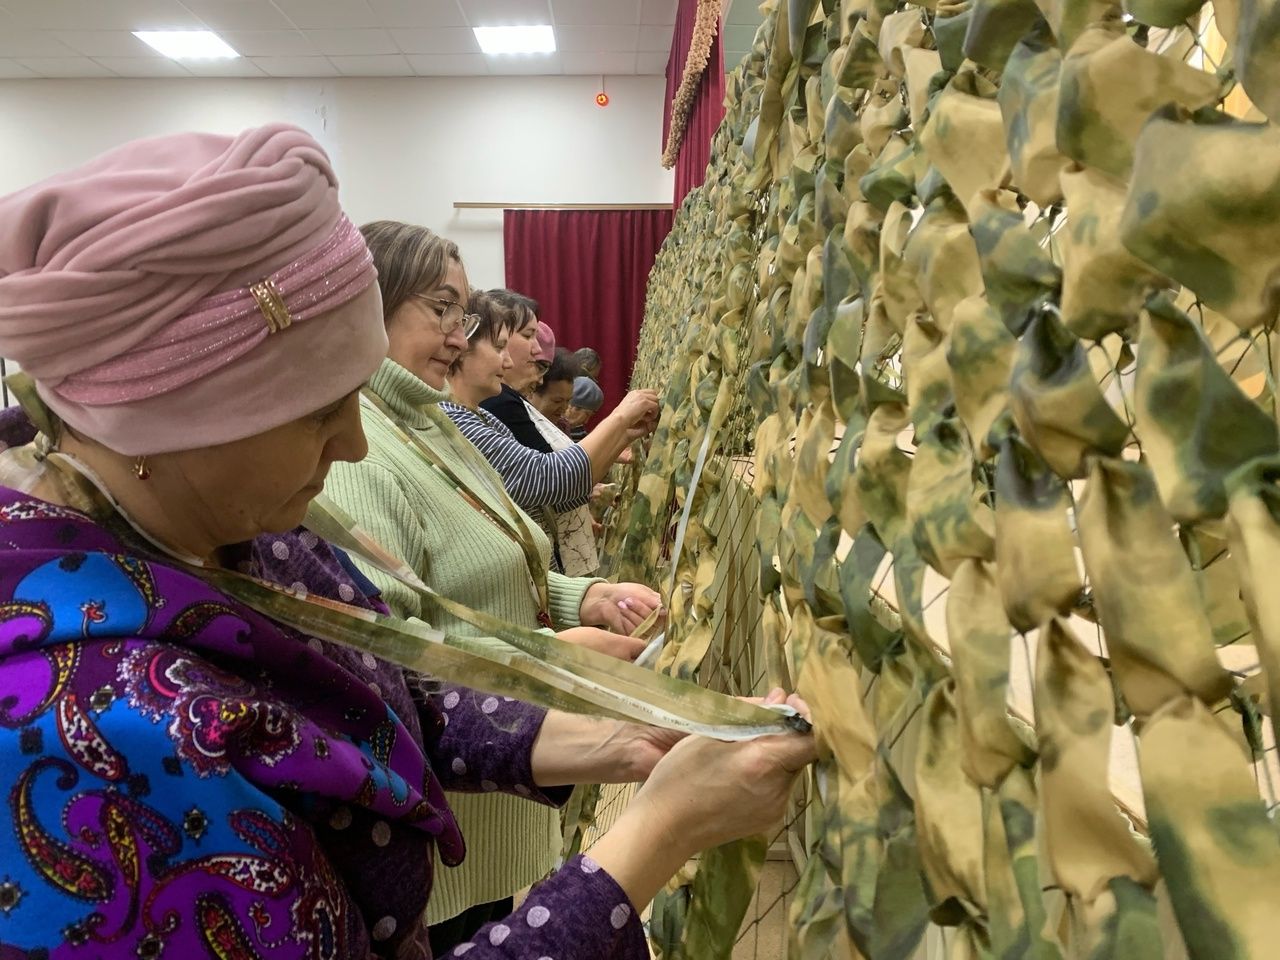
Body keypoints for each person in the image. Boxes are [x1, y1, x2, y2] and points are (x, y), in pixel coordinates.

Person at [0, 125, 817, 960]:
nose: (354, 444)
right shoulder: (97, 742)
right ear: (170, 418)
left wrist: (624, 740)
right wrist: (657, 834)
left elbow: (378, 694)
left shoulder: (233, 534)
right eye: (320, 412)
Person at [325, 221, 664, 953]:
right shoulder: (361, 451)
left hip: (503, 778)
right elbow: (395, 646)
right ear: (370, 305)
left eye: (466, 315)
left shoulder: (441, 420)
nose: (460, 334)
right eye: (441, 309)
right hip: (452, 815)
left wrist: (586, 598)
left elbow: (506, 557)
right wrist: (549, 652)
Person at [440, 297, 657, 575]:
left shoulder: (485, 415)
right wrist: (620, 419)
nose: (506, 361)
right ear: (460, 348)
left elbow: (561, 488)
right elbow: (548, 477)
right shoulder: (462, 419)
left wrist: (622, 432)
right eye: (499, 347)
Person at [478, 290, 552, 452]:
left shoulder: (505, 397)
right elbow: (554, 472)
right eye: (527, 336)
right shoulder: (499, 401)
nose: (537, 349)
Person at [530, 348, 579, 425]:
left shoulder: (563, 426)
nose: (564, 408)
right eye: (557, 401)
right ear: (532, 392)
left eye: (568, 401)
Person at [566, 375, 605, 441]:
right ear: (574, 408)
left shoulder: (579, 432)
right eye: (587, 414)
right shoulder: (549, 424)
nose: (586, 421)